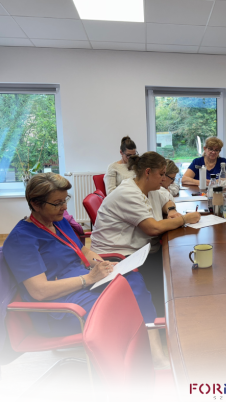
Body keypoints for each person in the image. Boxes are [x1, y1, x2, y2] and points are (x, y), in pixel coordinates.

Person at [3, 173, 168, 367]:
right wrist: (88, 279)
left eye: (65, 200)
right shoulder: (21, 240)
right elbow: (39, 291)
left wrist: (102, 265)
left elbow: (82, 250)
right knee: (122, 302)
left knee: (133, 281)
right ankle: (131, 362)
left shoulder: (58, 221)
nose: (64, 207)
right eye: (57, 203)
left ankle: (154, 352)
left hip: (83, 285)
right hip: (58, 307)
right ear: (36, 204)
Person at [91, 152, 201, 315]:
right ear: (148, 172)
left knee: (178, 264)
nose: (164, 179)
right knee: (175, 269)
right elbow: (153, 228)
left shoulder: (149, 187)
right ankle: (162, 317)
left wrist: (171, 210)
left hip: (139, 250)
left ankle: (173, 311)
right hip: (118, 257)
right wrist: (184, 219)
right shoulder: (128, 193)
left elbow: (166, 197)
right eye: (161, 174)